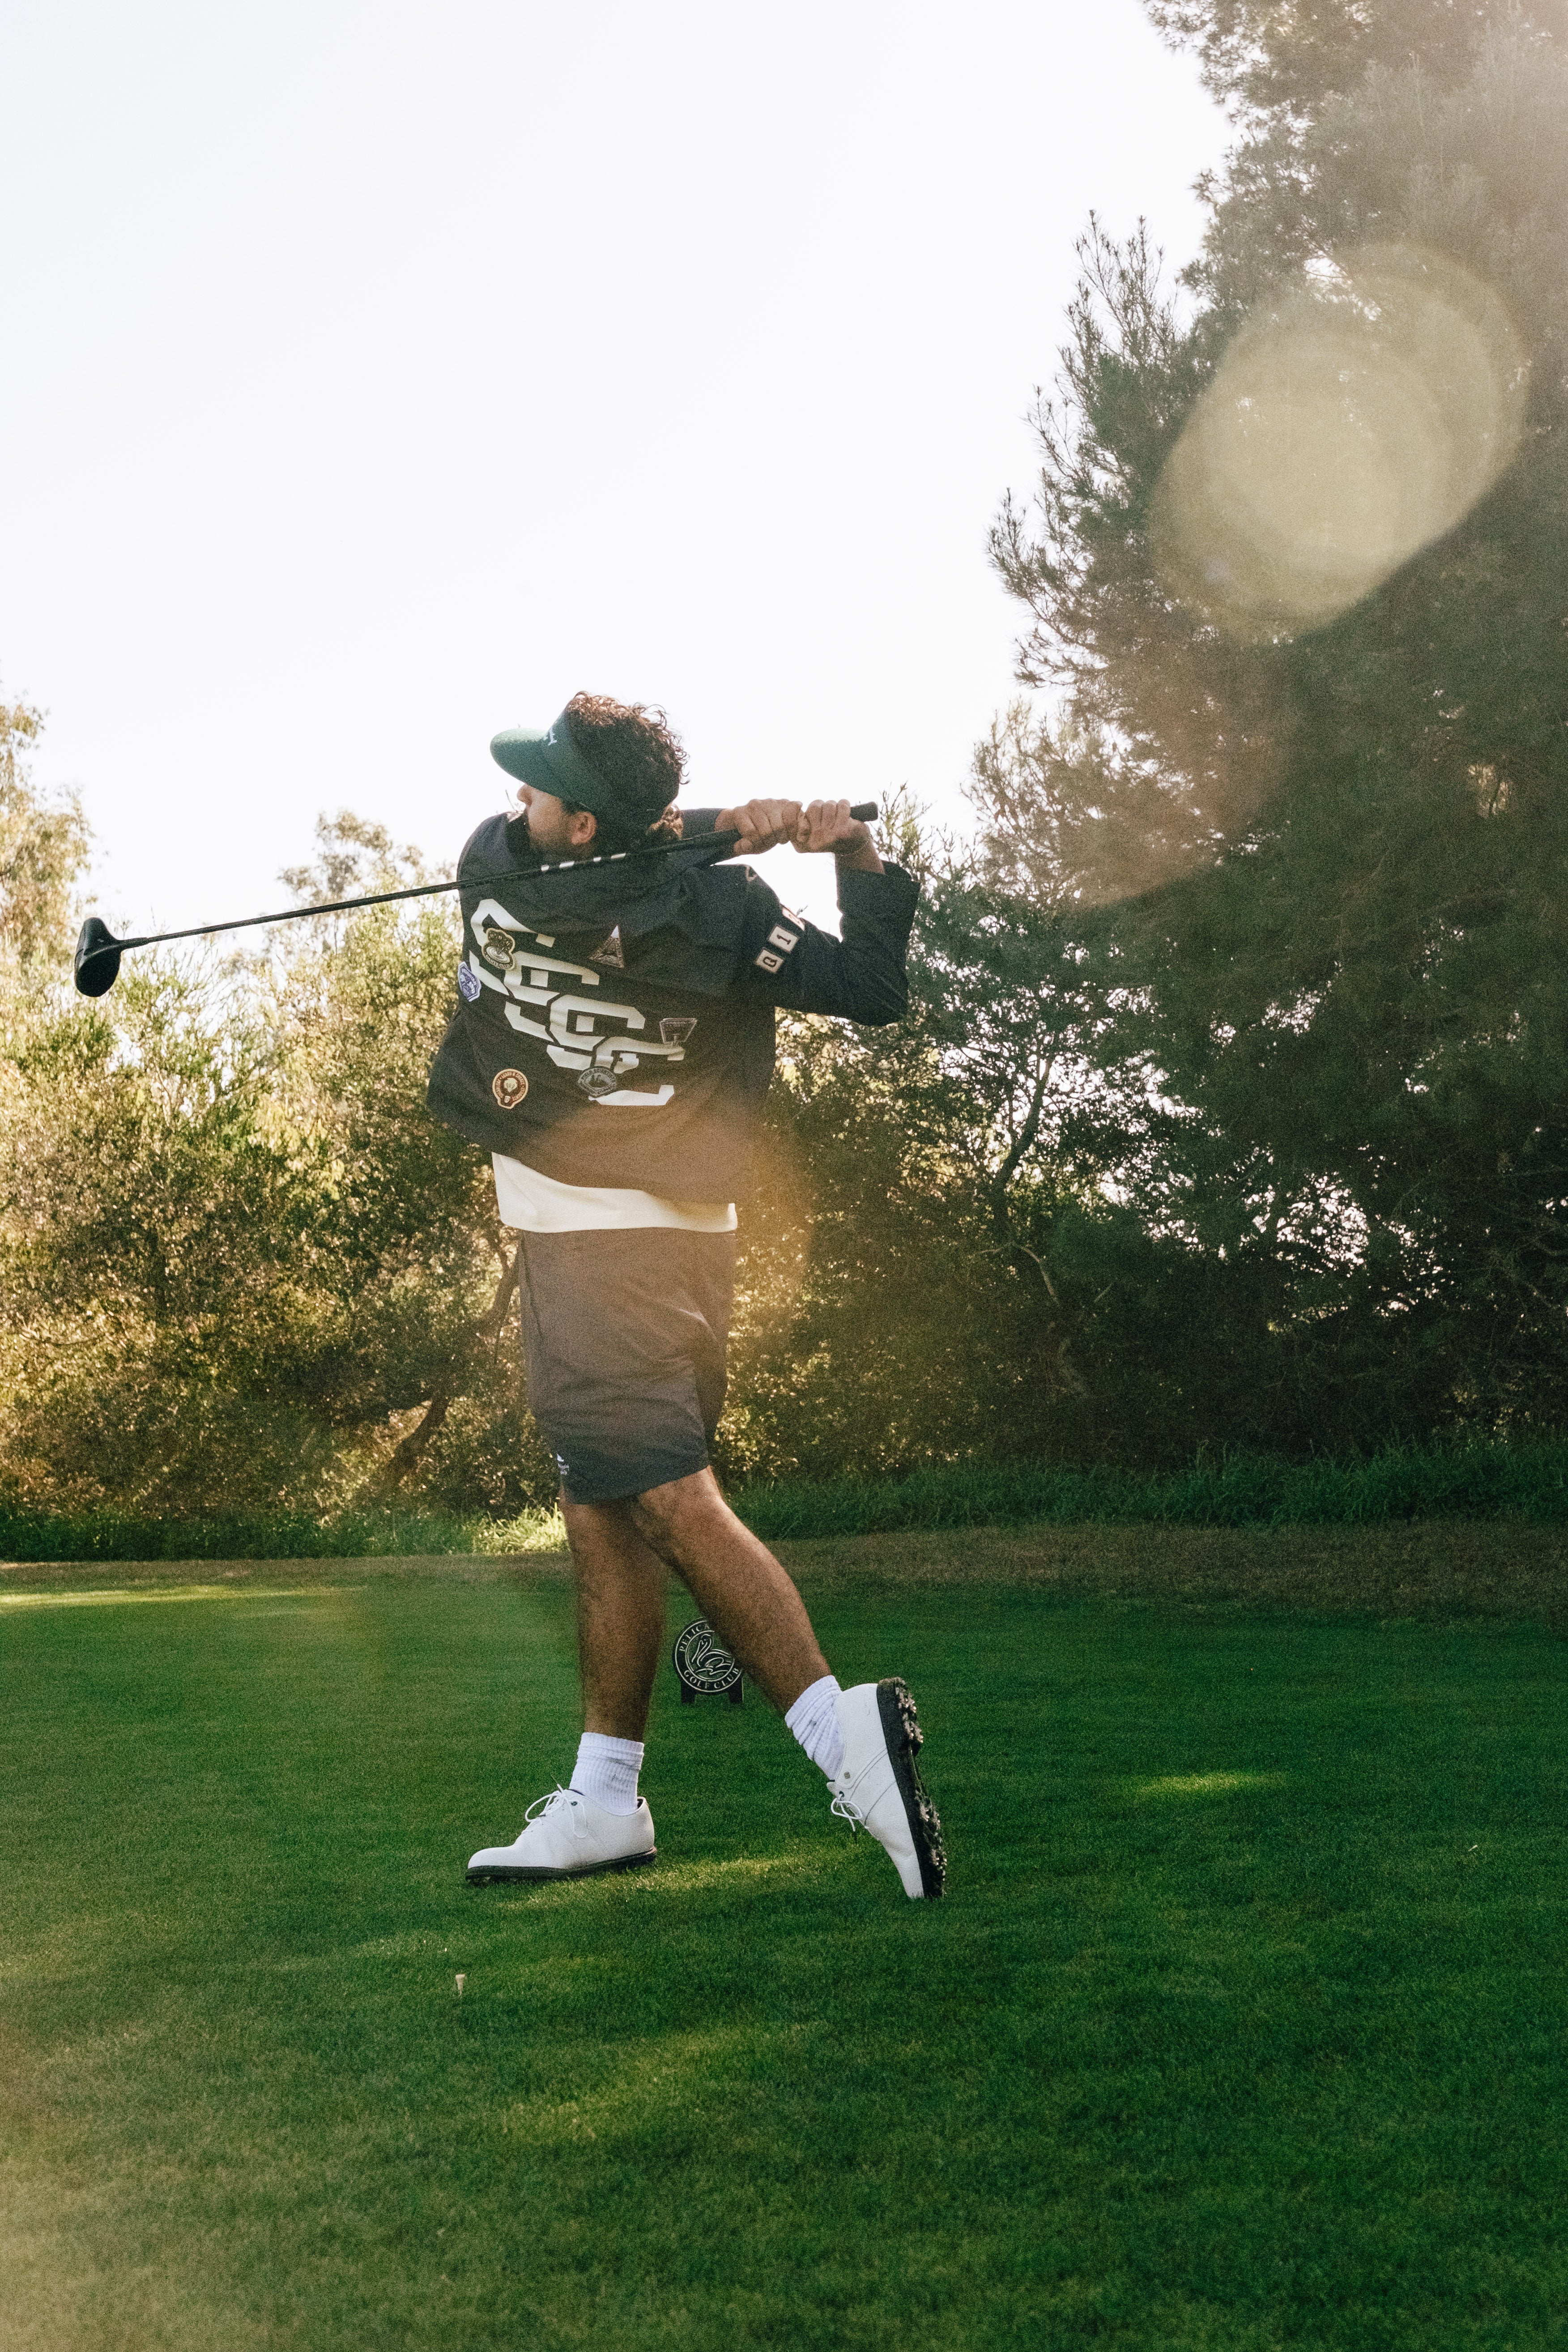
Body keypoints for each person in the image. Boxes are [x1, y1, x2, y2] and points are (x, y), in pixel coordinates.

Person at [427, 692, 945, 1900]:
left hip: (592, 1250)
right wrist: (843, 852)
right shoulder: (725, 912)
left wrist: (726, 824)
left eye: (542, 789)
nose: (519, 802)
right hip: (689, 1251)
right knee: (600, 1503)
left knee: (664, 1497)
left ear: (582, 823)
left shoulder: (497, 879)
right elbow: (873, 983)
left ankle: (839, 1735)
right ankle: (605, 1801)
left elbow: (589, 856)